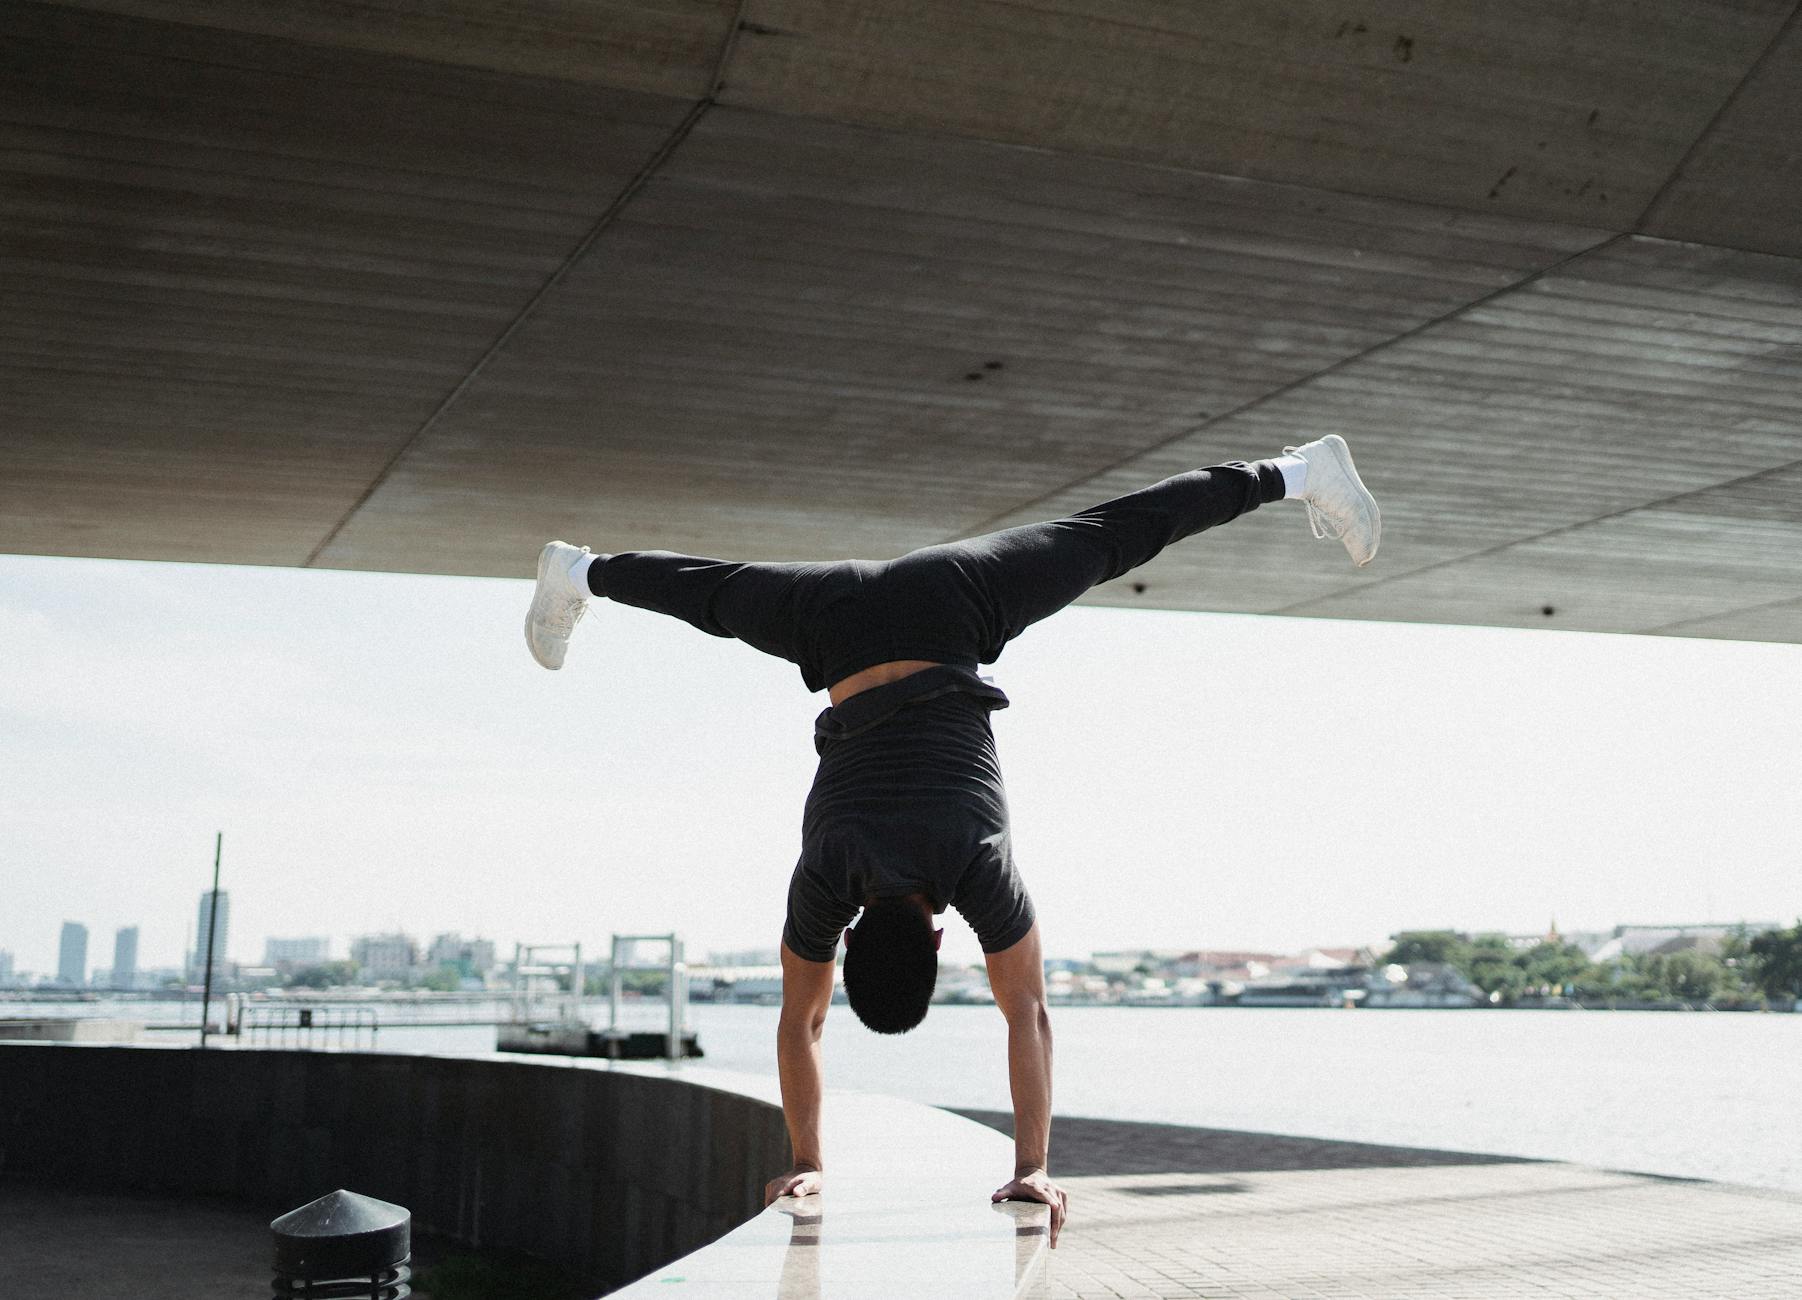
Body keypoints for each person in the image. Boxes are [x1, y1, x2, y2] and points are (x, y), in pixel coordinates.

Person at [523, 435, 1380, 1247]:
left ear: (942, 939)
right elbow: (803, 1022)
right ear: (856, 937)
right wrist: (805, 1165)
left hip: (952, 605)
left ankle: (1297, 471)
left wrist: (1033, 1168)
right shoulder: (828, 878)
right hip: (837, 615)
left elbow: (1028, 1015)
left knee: (1115, 536)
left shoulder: (978, 866)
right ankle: (583, 569)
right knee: (710, 593)